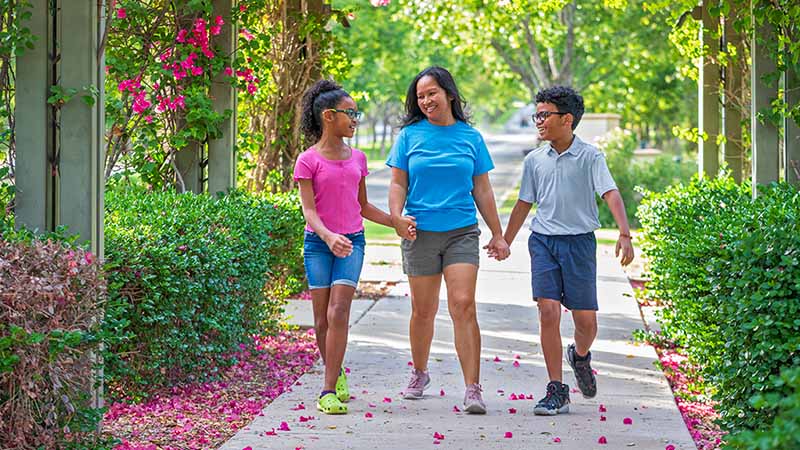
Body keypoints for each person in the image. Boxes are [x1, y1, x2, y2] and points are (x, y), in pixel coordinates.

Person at [502, 86, 635, 416]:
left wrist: (624, 233)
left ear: (567, 119)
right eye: (537, 115)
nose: (539, 121)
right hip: (544, 241)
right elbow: (523, 203)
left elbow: (611, 193)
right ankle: (556, 389)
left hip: (579, 244)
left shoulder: (591, 156)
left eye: (545, 115)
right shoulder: (534, 160)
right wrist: (504, 239)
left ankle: (579, 355)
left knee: (586, 322)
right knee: (548, 310)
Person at [387, 66, 510, 414]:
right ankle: (420, 373)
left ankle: (473, 388)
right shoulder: (410, 137)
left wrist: (498, 233)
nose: (426, 100)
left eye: (432, 93)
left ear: (449, 94)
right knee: (423, 311)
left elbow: (482, 190)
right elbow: (398, 184)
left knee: (463, 304)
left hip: (461, 232)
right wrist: (397, 218)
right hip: (419, 231)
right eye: (420, 96)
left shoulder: (470, 137)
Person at [295, 80, 416, 414]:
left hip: (353, 242)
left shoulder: (358, 158)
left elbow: (363, 206)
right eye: (350, 113)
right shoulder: (307, 160)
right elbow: (309, 211)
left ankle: (327, 389)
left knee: (339, 311)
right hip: (318, 245)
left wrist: (396, 221)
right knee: (321, 319)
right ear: (329, 116)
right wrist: (327, 236)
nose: (355, 119)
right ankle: (336, 369)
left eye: (356, 113)